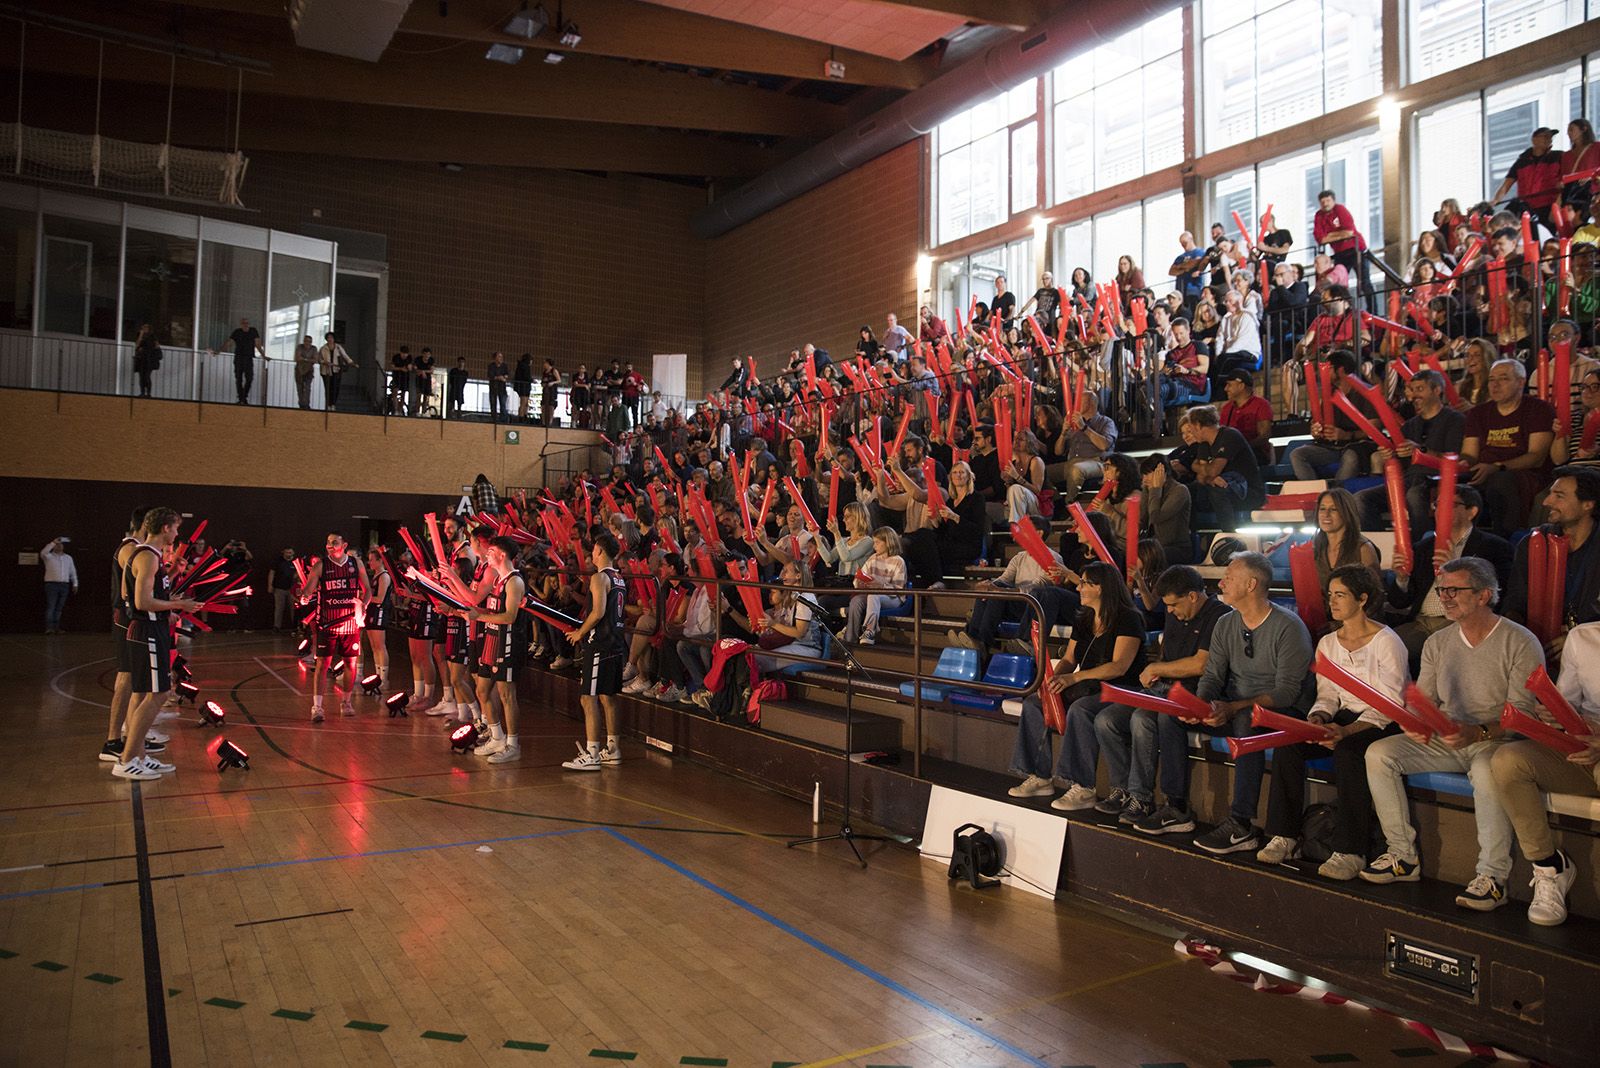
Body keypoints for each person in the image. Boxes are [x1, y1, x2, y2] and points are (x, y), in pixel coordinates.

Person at [1362, 556, 1542, 910]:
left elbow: (1523, 715)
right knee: (1379, 754)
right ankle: (1402, 856)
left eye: (1453, 590)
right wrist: (1415, 721)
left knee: (1487, 770)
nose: (1443, 597)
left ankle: (1493, 878)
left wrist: (1476, 732)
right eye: (1441, 590)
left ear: (1483, 595)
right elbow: (1425, 699)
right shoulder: (1438, 642)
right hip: (1449, 737)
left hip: (1496, 741)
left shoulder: (1519, 641)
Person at [1158, 552, 1315, 853]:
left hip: (1282, 711)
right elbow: (1213, 676)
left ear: (1252, 584)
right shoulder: (1226, 623)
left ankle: (1241, 824)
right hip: (1237, 702)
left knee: (1246, 720)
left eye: (1230, 576)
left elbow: (1286, 693)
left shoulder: (1288, 627)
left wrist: (1233, 707)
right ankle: (1175, 806)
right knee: (1170, 717)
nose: (1222, 581)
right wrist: (1201, 705)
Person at [1256, 566, 1407, 880]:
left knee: (1349, 753)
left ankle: (1351, 850)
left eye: (1341, 595)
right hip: (1343, 717)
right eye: (1331, 595)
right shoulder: (1327, 642)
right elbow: (1327, 695)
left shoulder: (1386, 641)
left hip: (1380, 721)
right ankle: (1284, 835)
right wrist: (1318, 719)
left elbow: (1391, 704)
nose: (1333, 602)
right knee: (1291, 744)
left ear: (1362, 599)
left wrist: (1346, 731)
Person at [1094, 565, 1231, 830]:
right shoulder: (1175, 613)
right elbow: (1168, 657)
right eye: (1166, 605)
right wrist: (1156, 674)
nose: (1168, 611)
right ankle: (1122, 789)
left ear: (1193, 596)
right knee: (1106, 719)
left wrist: (1156, 668)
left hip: (1191, 692)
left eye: (1173, 604)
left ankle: (1142, 798)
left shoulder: (1219, 615)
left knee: (1142, 719)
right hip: (1161, 689)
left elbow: (1201, 664)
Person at [1009, 562, 1147, 811]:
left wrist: (1074, 678)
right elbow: (1070, 659)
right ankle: (1040, 777)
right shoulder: (1084, 618)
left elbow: (1119, 667)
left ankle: (1083, 787)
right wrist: (1050, 680)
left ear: (1102, 588)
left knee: (1081, 709)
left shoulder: (1128, 618)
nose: (1079, 587)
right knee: (1034, 702)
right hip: (1087, 685)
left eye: (1085, 583)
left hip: (1120, 689)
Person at [1489, 619, 1600, 926]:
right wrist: (1553, 714)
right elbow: (1568, 703)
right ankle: (1549, 867)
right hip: (1580, 748)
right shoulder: (1582, 636)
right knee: (1508, 760)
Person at [113, 508, 201, 780]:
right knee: (159, 694)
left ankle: (137, 755)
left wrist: (168, 605)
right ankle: (127, 760)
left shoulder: (151, 557)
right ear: (165, 528)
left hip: (153, 628)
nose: (177, 533)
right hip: (147, 632)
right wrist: (179, 604)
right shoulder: (147, 556)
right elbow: (140, 602)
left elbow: (147, 596)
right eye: (175, 528)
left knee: (144, 694)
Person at [1385, 483, 1511, 669]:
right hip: (1421, 622)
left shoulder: (1494, 547)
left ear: (1472, 511)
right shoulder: (1423, 548)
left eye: (1449, 505)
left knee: (1441, 655)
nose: (1440, 511)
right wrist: (1402, 578)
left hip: (1461, 622)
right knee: (1383, 649)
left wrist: (1457, 567)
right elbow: (1399, 602)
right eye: (1437, 505)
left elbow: (1497, 597)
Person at [1503, 466, 1600, 657]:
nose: (1547, 502)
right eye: (1550, 494)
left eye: (1559, 496)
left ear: (1588, 504)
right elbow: (1515, 600)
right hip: (1537, 644)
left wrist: (1579, 637)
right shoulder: (1534, 542)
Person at [1355, 369, 1465, 535]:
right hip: (1408, 480)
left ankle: (1421, 546)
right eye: (1412, 390)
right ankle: (1378, 547)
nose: (1413, 396)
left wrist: (1421, 450)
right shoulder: (1410, 425)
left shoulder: (1455, 420)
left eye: (1420, 389)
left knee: (1414, 494)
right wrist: (1391, 456)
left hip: (1437, 480)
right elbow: (1401, 460)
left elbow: (1454, 459)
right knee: (1361, 498)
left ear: (1437, 390)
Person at [1460, 358, 1555, 537]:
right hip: (1482, 471)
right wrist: (1461, 465)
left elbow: (1536, 456)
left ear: (1520, 382)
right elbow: (1469, 453)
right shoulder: (1477, 413)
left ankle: (1505, 541)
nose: (1495, 385)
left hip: (1522, 473)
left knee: (1501, 481)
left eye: (1503, 379)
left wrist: (1497, 466)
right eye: (1491, 380)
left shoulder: (1539, 409)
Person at [562, 533, 628, 771]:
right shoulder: (619, 578)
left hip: (599, 643)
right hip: (615, 643)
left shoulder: (599, 578)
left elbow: (598, 612)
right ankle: (612, 748)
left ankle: (592, 753)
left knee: (587, 698)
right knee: (608, 697)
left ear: (600, 552)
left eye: (594, 550)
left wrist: (580, 633)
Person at [464, 537, 527, 764]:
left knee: (506, 695)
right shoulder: (497, 580)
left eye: (491, 551)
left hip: (507, 641)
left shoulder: (514, 581)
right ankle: (497, 737)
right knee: (482, 690)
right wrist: (460, 609)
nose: (487, 554)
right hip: (491, 638)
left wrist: (478, 616)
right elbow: (491, 608)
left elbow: (510, 616)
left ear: (502, 555)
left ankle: (513, 744)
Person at [102, 507, 156, 766]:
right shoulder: (131, 548)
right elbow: (129, 589)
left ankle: (131, 734)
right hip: (126, 619)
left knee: (133, 678)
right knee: (126, 677)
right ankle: (113, 741)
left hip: (128, 617)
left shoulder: (137, 548)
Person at [299, 532, 371, 723]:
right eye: (328, 542)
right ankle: (317, 707)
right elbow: (309, 589)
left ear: (344, 544)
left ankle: (346, 702)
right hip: (327, 623)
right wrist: (304, 595)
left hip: (350, 624)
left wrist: (363, 605)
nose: (330, 545)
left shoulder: (356, 564)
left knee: (350, 664)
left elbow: (368, 590)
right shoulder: (321, 565)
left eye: (334, 542)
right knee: (323, 665)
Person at [1290, 350, 1375, 482]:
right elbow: (1321, 422)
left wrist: (1346, 435)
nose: (1323, 373)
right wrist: (1317, 430)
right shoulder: (1329, 393)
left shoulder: (1365, 392)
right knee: (1298, 454)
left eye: (1328, 368)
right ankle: (1315, 494)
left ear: (1340, 370)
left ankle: (1337, 496)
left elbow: (1374, 429)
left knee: (1350, 457)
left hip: (1357, 445)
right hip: (1332, 446)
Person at [1186, 404, 1265, 531]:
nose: (1191, 433)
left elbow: (1213, 470)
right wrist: (1209, 479)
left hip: (1247, 491)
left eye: (1191, 428)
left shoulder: (1230, 435)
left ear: (1198, 425)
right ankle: (1191, 537)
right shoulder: (1204, 444)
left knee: (1218, 488)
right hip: (1223, 488)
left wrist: (1199, 468)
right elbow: (1201, 477)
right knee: (1186, 491)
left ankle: (1230, 536)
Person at [1490, 127, 1562, 236]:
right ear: (1534, 140)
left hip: (1548, 208)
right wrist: (1495, 200)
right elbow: (1506, 185)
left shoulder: (1558, 157)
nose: (1549, 140)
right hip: (1526, 209)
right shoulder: (1521, 162)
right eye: (1545, 137)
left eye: (1551, 138)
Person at [845, 527, 907, 645]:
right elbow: (859, 577)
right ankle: (850, 639)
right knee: (856, 600)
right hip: (872, 594)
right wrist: (859, 583)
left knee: (874, 596)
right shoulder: (873, 559)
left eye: (877, 543)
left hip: (893, 597)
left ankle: (869, 630)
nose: (874, 546)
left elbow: (898, 590)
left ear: (888, 543)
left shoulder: (898, 561)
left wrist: (882, 585)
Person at [1313, 189, 1370, 309]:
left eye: (1328, 200)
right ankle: (1345, 308)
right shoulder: (1319, 215)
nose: (1325, 204)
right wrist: (1339, 235)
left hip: (1356, 249)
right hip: (1340, 253)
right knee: (1339, 285)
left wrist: (1329, 236)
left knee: (1364, 282)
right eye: (1322, 202)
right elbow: (1320, 239)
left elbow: (1349, 232)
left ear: (1333, 201)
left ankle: (1372, 309)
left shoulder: (1340, 209)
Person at [1217, 369, 1273, 467]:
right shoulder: (1227, 408)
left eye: (1229, 385)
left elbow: (1264, 436)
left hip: (1255, 454)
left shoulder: (1261, 404)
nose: (1226, 389)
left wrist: (1242, 447)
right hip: (1231, 454)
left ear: (1241, 386)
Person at [362, 547, 392, 685]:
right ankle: (378, 674)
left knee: (380, 645)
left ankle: (384, 678)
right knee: (374, 646)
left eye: (371, 560)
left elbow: (380, 598)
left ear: (380, 561)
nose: (369, 563)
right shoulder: (374, 575)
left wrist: (364, 597)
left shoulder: (384, 576)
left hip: (379, 611)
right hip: (371, 611)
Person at [221, 317, 264, 405]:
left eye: (247, 323)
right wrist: (219, 350)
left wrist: (263, 355)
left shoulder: (253, 331)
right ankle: (242, 398)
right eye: (244, 323)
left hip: (248, 358)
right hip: (239, 358)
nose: (246, 325)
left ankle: (243, 397)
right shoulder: (237, 332)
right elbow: (229, 342)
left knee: (249, 378)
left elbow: (258, 344)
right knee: (239, 378)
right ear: (241, 324)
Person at [41, 536, 77, 634]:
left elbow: (72, 571)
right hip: (51, 584)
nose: (59, 546)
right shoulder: (49, 557)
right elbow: (43, 552)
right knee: (51, 606)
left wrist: (75, 583)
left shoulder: (68, 558)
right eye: (57, 545)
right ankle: (49, 628)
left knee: (59, 607)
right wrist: (53, 542)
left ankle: (57, 627)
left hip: (64, 585)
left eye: (61, 545)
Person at [317, 332, 354, 409]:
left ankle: (333, 404)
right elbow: (319, 359)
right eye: (328, 338)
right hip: (326, 371)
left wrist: (351, 362)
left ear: (334, 339)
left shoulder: (338, 347)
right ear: (326, 339)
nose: (330, 339)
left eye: (331, 338)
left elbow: (345, 355)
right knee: (328, 388)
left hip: (336, 370)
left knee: (336, 388)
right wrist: (325, 362)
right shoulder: (323, 348)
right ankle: (328, 405)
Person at [132, 323, 161, 398]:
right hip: (141, 358)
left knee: (147, 376)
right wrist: (141, 335)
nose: (144, 329)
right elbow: (137, 345)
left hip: (149, 359)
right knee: (141, 376)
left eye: (145, 327)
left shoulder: (153, 336)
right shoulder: (140, 335)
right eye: (143, 327)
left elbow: (157, 346)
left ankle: (148, 393)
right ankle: (142, 392)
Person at [388, 345, 414, 415]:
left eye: (406, 354)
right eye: (403, 354)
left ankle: (400, 410)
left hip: (405, 378)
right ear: (400, 353)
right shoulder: (396, 357)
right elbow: (392, 367)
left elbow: (410, 368)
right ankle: (396, 409)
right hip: (396, 377)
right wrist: (401, 369)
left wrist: (409, 367)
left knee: (403, 394)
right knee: (395, 392)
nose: (404, 355)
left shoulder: (409, 358)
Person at [294, 334, 318, 409]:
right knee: (299, 388)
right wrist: (309, 360)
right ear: (304, 341)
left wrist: (304, 359)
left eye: (309, 342)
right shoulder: (299, 347)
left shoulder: (314, 348)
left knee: (307, 388)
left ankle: (306, 404)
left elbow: (315, 360)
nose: (307, 343)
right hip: (299, 370)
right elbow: (297, 358)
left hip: (309, 371)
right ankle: (301, 404)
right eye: (306, 341)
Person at [487, 351, 511, 421]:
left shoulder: (504, 366)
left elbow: (507, 375)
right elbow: (490, 375)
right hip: (493, 387)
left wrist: (503, 377)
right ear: (495, 358)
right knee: (493, 404)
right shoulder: (491, 366)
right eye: (499, 356)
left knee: (503, 404)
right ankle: (494, 419)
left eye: (501, 357)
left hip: (502, 388)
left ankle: (503, 419)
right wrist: (499, 378)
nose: (501, 358)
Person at [540, 358, 562, 427]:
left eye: (545, 363)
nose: (544, 365)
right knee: (543, 406)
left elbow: (559, 380)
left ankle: (550, 422)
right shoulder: (544, 372)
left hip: (552, 391)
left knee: (551, 406)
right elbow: (542, 381)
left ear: (548, 364)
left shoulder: (554, 371)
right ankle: (543, 422)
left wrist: (553, 383)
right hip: (545, 391)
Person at [512, 352, 534, 422]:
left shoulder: (521, 366)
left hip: (523, 386)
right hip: (524, 387)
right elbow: (526, 377)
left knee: (525, 403)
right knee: (523, 402)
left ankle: (523, 416)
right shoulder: (525, 367)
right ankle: (522, 417)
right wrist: (531, 380)